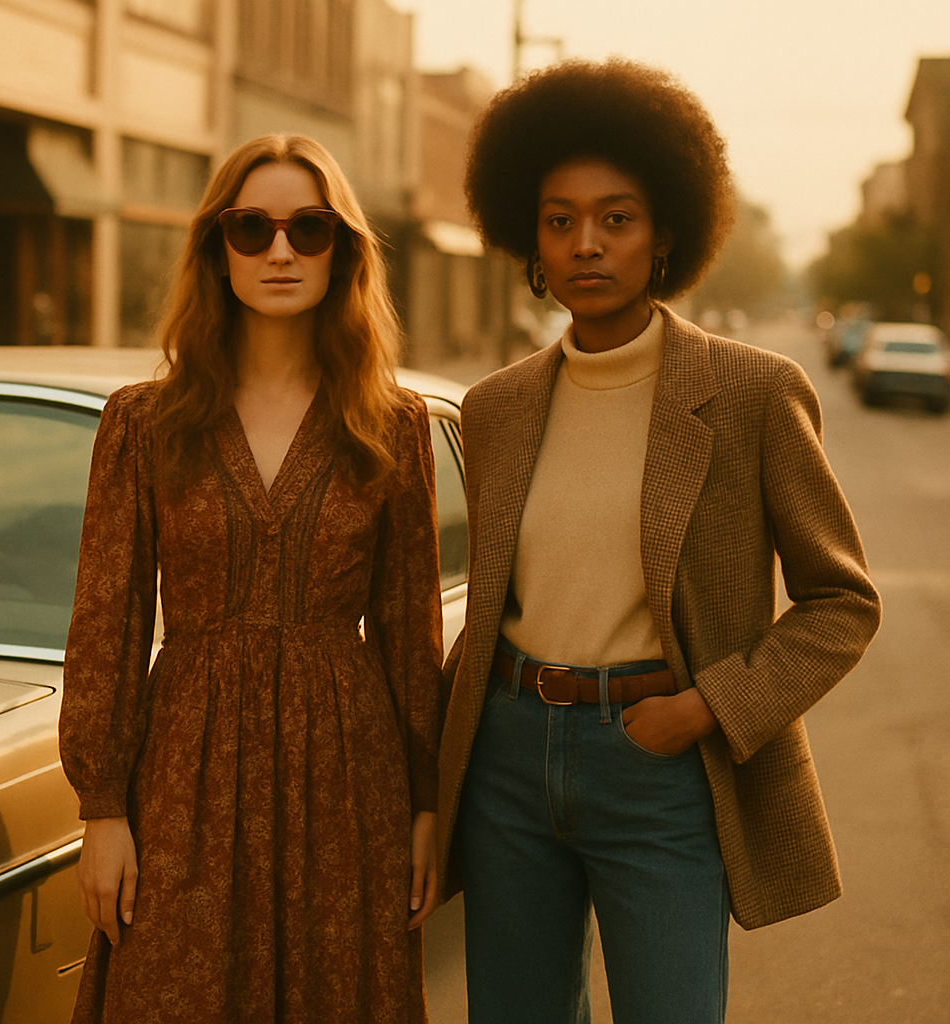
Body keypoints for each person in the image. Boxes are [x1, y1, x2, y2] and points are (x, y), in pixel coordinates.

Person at [436, 59, 881, 1024]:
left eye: (617, 218)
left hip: (659, 763)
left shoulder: (752, 393)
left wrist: (705, 710)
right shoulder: (496, 407)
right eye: (560, 220)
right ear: (530, 239)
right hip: (508, 756)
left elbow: (843, 603)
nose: (586, 243)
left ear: (666, 233)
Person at [59, 134, 444, 1023]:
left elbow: (410, 630)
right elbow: (106, 622)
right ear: (216, 247)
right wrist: (102, 810)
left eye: (309, 229)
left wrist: (428, 804)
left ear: (342, 250)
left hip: (346, 780)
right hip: (183, 777)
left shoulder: (391, 425)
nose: (280, 251)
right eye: (251, 228)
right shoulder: (144, 423)